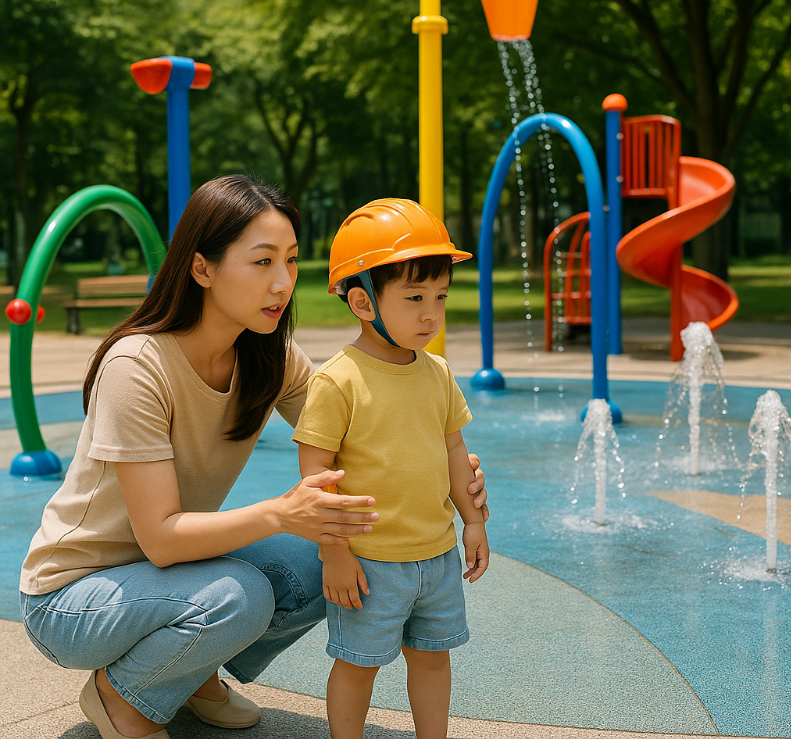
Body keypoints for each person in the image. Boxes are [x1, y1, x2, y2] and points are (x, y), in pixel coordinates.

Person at [18, 175, 488, 739]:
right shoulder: (136, 367)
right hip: (75, 596)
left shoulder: (269, 355)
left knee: (335, 559)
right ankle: (125, 697)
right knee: (239, 596)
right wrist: (280, 512)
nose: (283, 282)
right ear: (203, 269)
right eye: (262, 262)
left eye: (290, 261)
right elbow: (161, 539)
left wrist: (438, 461)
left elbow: (358, 430)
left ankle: (188, 675)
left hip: (169, 575)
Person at [293, 198, 490, 739]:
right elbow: (316, 480)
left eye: (440, 297)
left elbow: (454, 452)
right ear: (362, 302)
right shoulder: (339, 381)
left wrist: (473, 522)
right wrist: (333, 552)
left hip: (437, 554)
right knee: (359, 665)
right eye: (413, 298)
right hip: (369, 562)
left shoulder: (438, 373)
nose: (431, 313)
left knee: (433, 659)